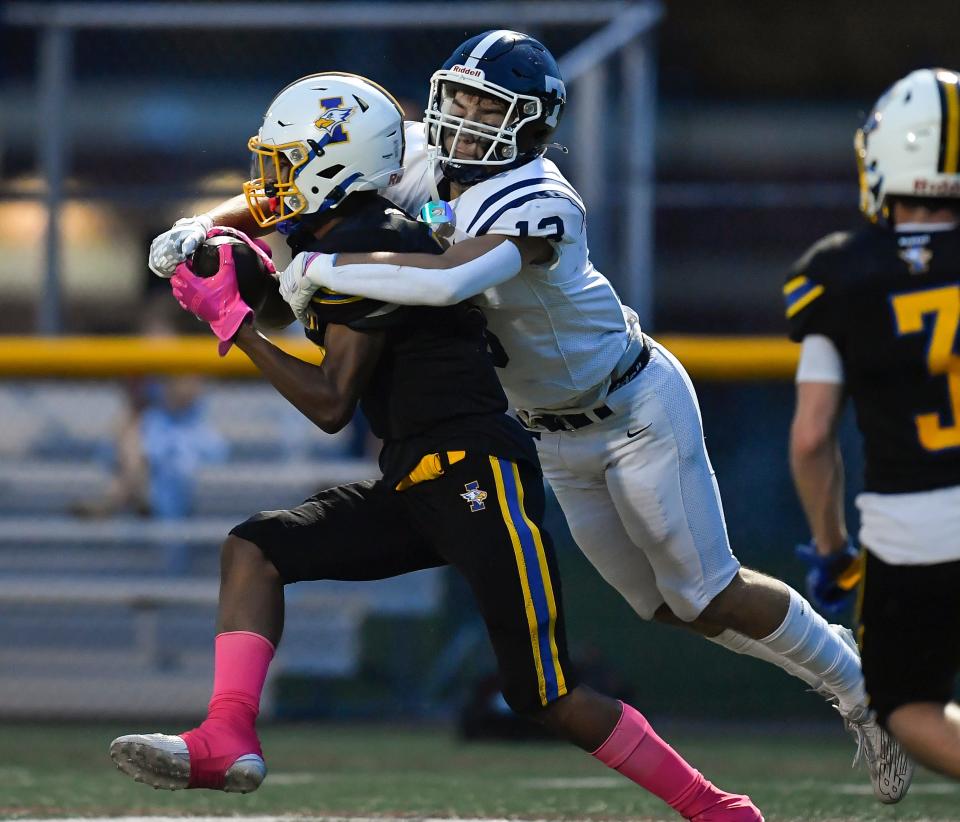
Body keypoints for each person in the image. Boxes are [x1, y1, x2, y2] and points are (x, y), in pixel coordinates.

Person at [147, 31, 913, 805]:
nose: (467, 117)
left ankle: (860, 686)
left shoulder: (540, 198)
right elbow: (305, 175)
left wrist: (313, 269)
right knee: (656, 607)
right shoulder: (419, 152)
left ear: (532, 125)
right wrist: (205, 225)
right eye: (461, 97)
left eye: (491, 106)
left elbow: (455, 279)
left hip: (632, 408)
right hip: (544, 432)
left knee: (703, 595)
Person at [786, 67, 960, 781]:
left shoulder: (838, 272)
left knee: (907, 703)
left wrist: (832, 549)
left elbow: (811, 435)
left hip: (912, 524)